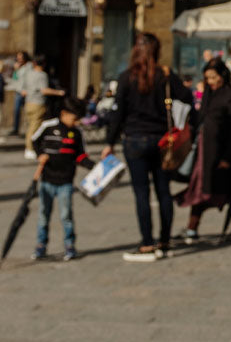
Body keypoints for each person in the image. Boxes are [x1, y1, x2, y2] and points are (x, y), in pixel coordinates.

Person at [102, 32, 192, 262]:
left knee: (141, 193)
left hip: (134, 140)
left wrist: (108, 143)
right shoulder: (165, 75)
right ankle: (164, 240)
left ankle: (146, 244)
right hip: (162, 140)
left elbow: (118, 114)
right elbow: (188, 97)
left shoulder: (126, 77)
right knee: (163, 191)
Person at [178, 57, 231, 244]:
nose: (211, 81)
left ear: (222, 75)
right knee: (200, 189)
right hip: (204, 155)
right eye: (207, 78)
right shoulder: (208, 94)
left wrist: (227, 156)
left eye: (214, 77)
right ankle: (192, 228)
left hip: (224, 154)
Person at [31, 96, 94, 262]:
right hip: (47, 180)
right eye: (74, 119)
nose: (76, 122)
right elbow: (34, 141)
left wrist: (93, 167)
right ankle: (41, 245)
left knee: (66, 215)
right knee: (43, 215)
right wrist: (40, 155)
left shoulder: (77, 134)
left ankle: (69, 245)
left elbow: (80, 155)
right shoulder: (48, 126)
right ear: (64, 114)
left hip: (65, 182)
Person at [21, 54, 64, 159]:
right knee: (34, 127)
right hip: (38, 103)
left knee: (30, 126)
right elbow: (44, 90)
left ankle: (29, 147)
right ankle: (30, 148)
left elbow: (23, 91)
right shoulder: (42, 75)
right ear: (44, 64)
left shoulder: (29, 74)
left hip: (28, 102)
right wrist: (59, 92)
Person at [9, 50, 29, 136]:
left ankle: (27, 130)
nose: (19, 59)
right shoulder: (17, 67)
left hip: (26, 92)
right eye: (18, 57)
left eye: (20, 57)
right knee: (16, 111)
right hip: (18, 91)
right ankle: (16, 129)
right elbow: (15, 78)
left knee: (27, 112)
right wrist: (16, 70)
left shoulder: (29, 66)